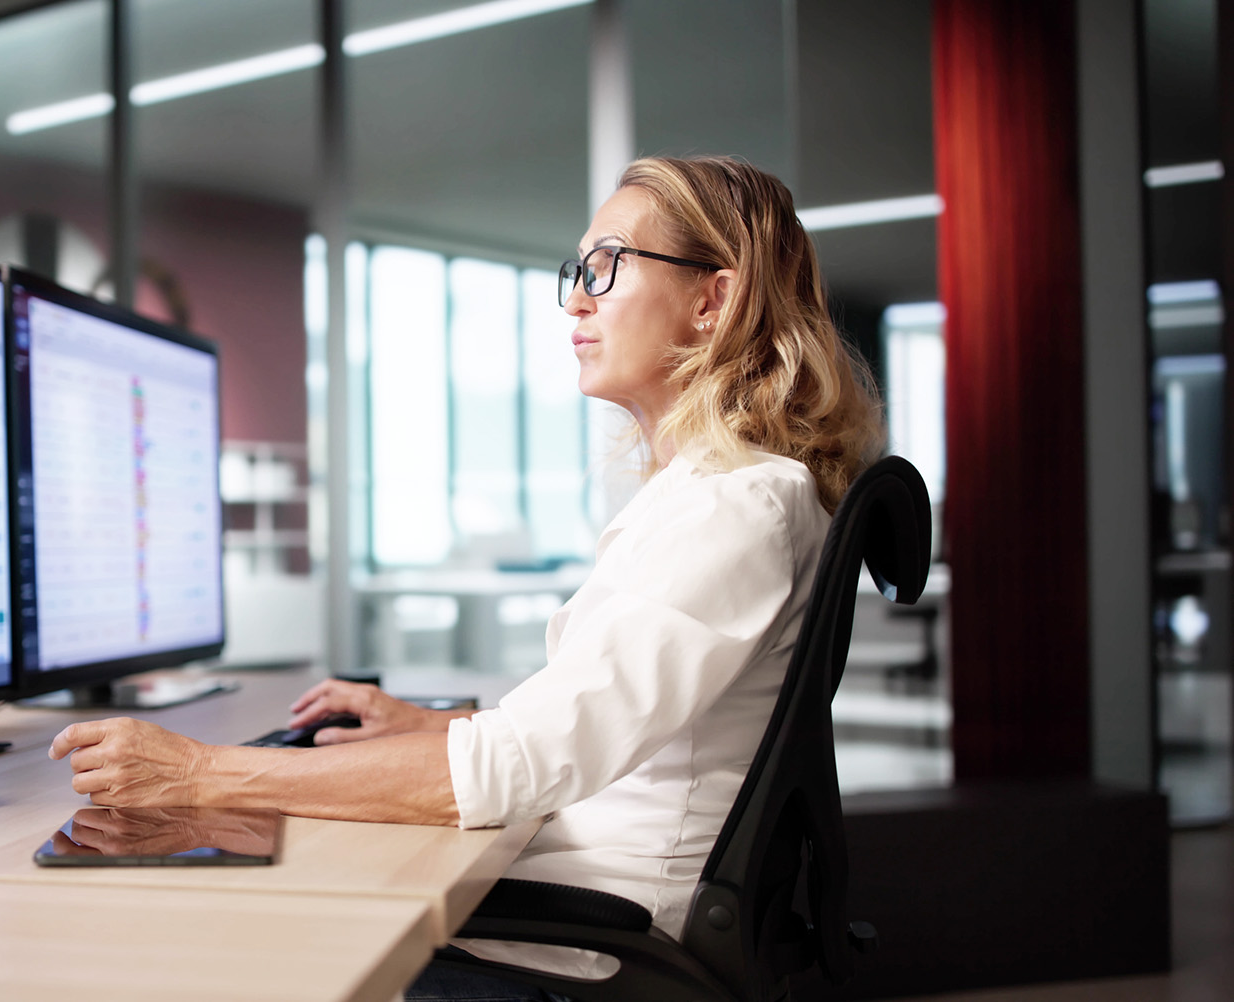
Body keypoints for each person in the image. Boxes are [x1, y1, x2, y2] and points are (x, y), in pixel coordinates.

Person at [47, 155, 883, 999]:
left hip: (586, 957)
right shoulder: (719, 497)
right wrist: (430, 725)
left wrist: (200, 772)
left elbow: (521, 766)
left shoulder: (733, 508)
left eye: (606, 265)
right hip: (576, 913)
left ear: (713, 301)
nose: (576, 299)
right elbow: (592, 720)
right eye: (575, 271)